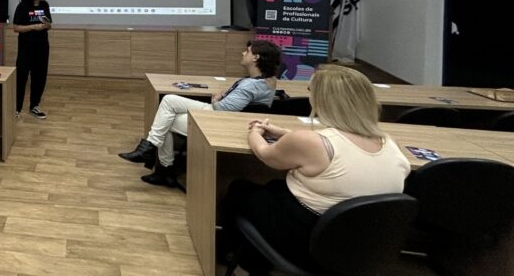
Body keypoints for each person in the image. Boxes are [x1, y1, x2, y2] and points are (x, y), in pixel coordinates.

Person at [222, 65, 411, 276]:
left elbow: (265, 153)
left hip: (312, 243)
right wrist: (286, 133)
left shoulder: (311, 142)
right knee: (274, 188)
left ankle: (240, 262)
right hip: (364, 246)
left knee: (240, 190)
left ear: (322, 100)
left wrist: (255, 131)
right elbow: (337, 143)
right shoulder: (390, 144)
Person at [118, 40, 283, 188]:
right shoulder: (265, 81)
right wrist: (225, 95)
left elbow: (222, 109)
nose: (242, 53)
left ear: (256, 58)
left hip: (217, 121)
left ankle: (161, 165)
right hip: (230, 119)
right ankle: (155, 156)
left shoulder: (251, 86)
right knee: (168, 103)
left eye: (247, 51)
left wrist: (217, 100)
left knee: (165, 119)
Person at [12, 0, 51, 119]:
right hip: (26, 47)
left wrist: (46, 25)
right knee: (21, 77)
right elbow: (16, 28)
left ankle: (34, 106)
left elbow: (49, 24)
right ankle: (16, 108)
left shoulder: (45, 5)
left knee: (40, 77)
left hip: (42, 46)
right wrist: (33, 27)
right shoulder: (22, 6)